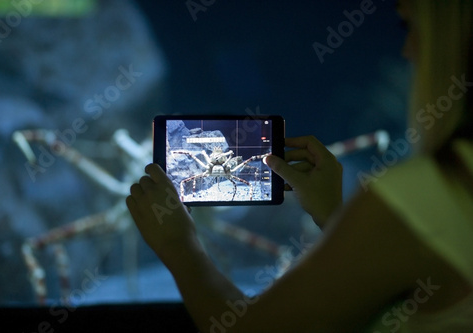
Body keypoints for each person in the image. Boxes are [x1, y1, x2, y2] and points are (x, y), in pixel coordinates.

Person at [126, 0, 473, 331]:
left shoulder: (425, 190)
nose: (406, 50)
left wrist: (177, 246)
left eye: (408, 25)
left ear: (451, 42)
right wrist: (334, 217)